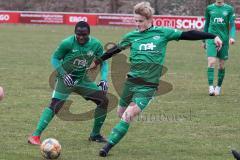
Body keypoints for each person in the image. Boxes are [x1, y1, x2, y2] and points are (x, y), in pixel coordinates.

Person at [88, 1, 223, 157]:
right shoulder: (131, 36)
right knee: (121, 113)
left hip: (149, 85)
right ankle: (125, 120)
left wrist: (212, 36)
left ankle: (107, 147)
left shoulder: (163, 33)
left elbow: (188, 34)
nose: (138, 24)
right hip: (131, 82)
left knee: (128, 116)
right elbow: (114, 50)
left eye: (141, 21)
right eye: (136, 21)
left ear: (150, 19)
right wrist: (97, 61)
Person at [28, 21, 109, 145]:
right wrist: (64, 74)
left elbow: (103, 61)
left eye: (84, 35)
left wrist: (104, 79)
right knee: (55, 105)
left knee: (103, 100)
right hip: (65, 79)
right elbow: (55, 58)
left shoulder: (96, 44)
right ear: (75, 33)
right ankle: (35, 136)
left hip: (82, 80)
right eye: (78, 34)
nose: (81, 37)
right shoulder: (67, 43)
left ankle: (95, 135)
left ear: (89, 33)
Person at [202, 0, 236, 96]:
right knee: (211, 62)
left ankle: (218, 87)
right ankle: (210, 88)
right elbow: (207, 24)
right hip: (211, 38)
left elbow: (232, 25)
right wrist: (204, 39)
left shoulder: (229, 9)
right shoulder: (209, 8)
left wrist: (232, 37)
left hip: (224, 40)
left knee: (221, 65)